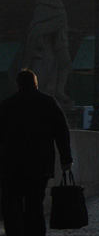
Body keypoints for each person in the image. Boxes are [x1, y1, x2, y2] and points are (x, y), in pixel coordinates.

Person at [0, 68, 73, 236]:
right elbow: (62, 132)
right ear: (36, 84)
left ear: (17, 85)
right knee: (35, 204)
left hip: (11, 165)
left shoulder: (7, 104)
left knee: (12, 206)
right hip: (39, 165)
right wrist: (65, 158)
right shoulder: (48, 102)